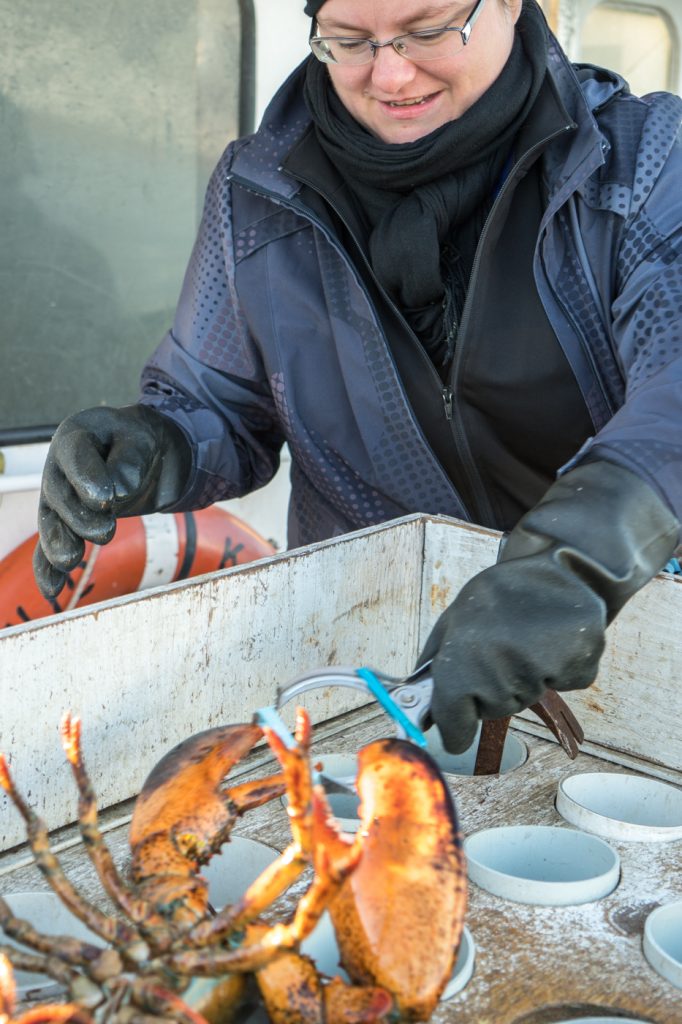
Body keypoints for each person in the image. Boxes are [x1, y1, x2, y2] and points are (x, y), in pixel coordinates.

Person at [34, 0, 681, 754]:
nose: (391, 74)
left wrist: (572, 561)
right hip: (374, 665)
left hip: (624, 633)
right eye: (348, 42)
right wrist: (161, 441)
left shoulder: (645, 161)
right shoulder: (257, 192)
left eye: (428, 29)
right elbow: (218, 402)